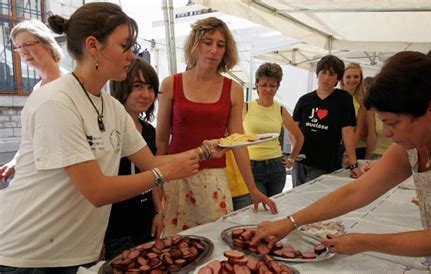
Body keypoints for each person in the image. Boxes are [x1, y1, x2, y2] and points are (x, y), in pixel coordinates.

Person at [0, 3, 226, 271]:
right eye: (125, 46)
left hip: (71, 251)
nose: (132, 56)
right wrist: (164, 175)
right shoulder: (56, 101)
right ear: (93, 46)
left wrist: (205, 151)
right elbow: (97, 190)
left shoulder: (112, 107)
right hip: (27, 254)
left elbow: (149, 161)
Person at [252, 51, 431, 273]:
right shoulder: (417, 133)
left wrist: (364, 241)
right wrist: (291, 222)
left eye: (393, 123)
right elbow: (358, 191)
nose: (387, 133)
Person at [156, 17, 277, 237]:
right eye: (208, 42)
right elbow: (161, 141)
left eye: (220, 45)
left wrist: (253, 189)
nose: (214, 50)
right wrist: (157, 190)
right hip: (176, 175)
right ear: (195, 44)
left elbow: (238, 142)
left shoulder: (233, 89)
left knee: (214, 240)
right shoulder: (170, 84)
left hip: (214, 178)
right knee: (175, 246)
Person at [104, 57, 161, 259]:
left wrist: (159, 212)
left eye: (150, 87)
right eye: (137, 86)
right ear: (122, 87)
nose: (146, 94)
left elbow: (153, 173)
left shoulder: (149, 130)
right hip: (114, 226)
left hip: (146, 220)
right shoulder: (107, 128)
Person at [0, 19, 66, 184]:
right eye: (18, 47)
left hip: (61, 173)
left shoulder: (70, 83)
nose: (23, 52)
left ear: (47, 43)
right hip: (36, 169)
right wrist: (16, 160)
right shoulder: (37, 88)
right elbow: (31, 137)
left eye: (27, 44)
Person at [292, 55, 361, 187]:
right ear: (317, 74)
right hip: (300, 161)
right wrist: (295, 150)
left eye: (332, 74)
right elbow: (293, 128)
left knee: (311, 198)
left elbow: (347, 131)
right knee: (295, 196)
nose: (326, 77)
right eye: (323, 72)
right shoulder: (305, 100)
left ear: (338, 78)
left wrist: (353, 163)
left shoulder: (343, 99)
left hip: (323, 162)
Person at [243, 62, 303, 197]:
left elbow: (299, 137)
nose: (268, 89)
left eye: (272, 86)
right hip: (252, 166)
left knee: (273, 207)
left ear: (278, 86)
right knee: (257, 205)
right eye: (264, 85)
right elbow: (234, 137)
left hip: (276, 167)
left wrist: (291, 159)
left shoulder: (281, 110)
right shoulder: (245, 107)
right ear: (257, 84)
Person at [340, 63, 368, 160]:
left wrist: (349, 151)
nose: (352, 80)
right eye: (348, 77)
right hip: (338, 146)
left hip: (357, 148)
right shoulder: (335, 98)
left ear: (360, 79)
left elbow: (358, 130)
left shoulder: (362, 101)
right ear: (342, 79)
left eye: (356, 76)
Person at [364, 76, 392, 159]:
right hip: (376, 154)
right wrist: (367, 159)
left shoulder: (398, 111)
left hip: (394, 155)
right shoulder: (371, 111)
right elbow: (371, 136)